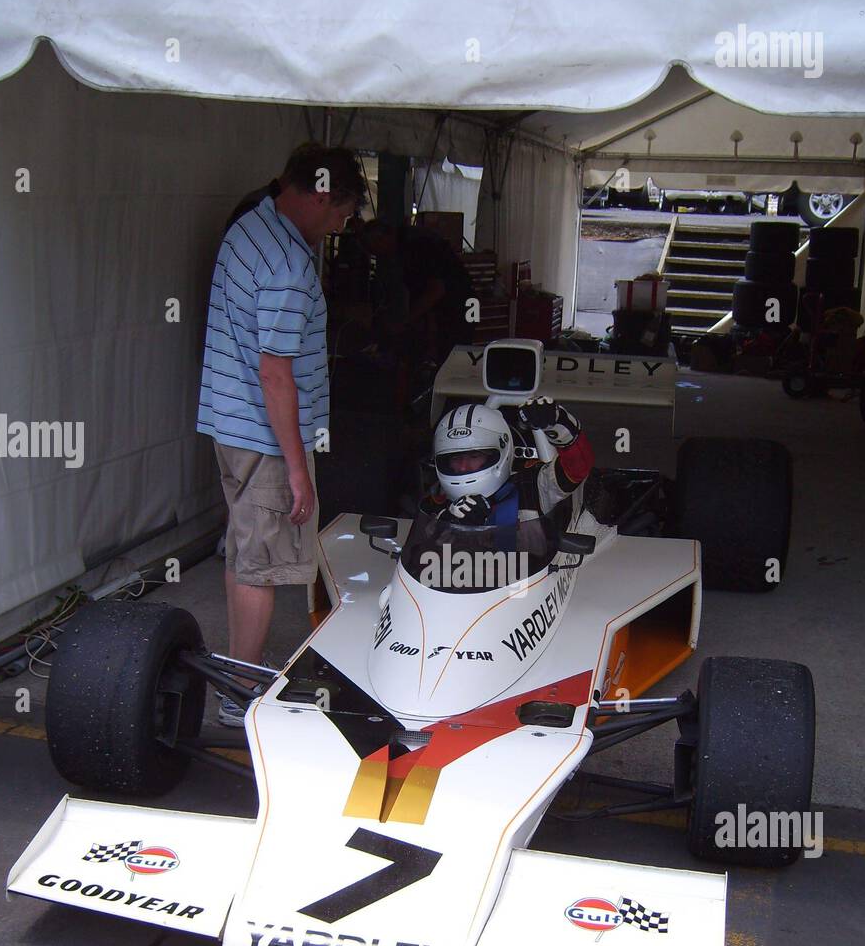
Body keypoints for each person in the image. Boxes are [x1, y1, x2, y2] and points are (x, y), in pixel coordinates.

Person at [197, 143, 367, 725]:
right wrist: (298, 468)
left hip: (230, 424)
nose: (339, 227)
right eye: (341, 214)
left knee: (244, 553)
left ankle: (233, 673)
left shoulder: (249, 227)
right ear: (321, 196)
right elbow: (276, 372)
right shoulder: (291, 269)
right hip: (265, 440)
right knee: (263, 564)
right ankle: (239, 692)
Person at [426, 397, 594, 528]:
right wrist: (449, 525)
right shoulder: (436, 503)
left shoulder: (532, 487)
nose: (463, 467)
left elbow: (578, 468)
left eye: (474, 456)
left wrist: (559, 423)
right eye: (455, 458)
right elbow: (420, 552)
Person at [356, 219, 473, 373]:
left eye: (376, 250)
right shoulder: (406, 245)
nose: (380, 255)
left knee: (459, 353)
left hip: (465, 304)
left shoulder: (417, 245)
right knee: (447, 354)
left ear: (382, 238)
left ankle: (456, 390)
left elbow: (436, 289)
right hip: (456, 303)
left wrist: (406, 321)